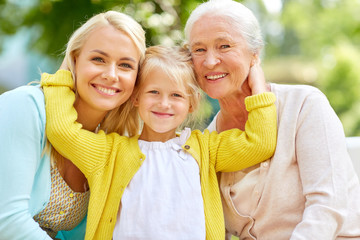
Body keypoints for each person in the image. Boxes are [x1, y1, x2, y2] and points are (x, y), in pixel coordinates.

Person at [40, 45, 277, 239]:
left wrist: (257, 86)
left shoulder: (205, 150)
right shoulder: (110, 153)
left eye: (176, 95)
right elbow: (63, 131)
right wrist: (64, 73)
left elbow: (259, 144)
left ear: (191, 103)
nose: (164, 104)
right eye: (153, 92)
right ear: (136, 97)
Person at [184, 0, 360, 239]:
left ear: (254, 53)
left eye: (224, 46)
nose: (210, 61)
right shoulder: (209, 140)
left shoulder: (304, 105)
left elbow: (327, 206)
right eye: (199, 49)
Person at [0, 10, 146, 240]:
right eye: (98, 59)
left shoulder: (109, 144)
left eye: (126, 65)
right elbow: (7, 221)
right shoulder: (26, 106)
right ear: (75, 60)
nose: (111, 74)